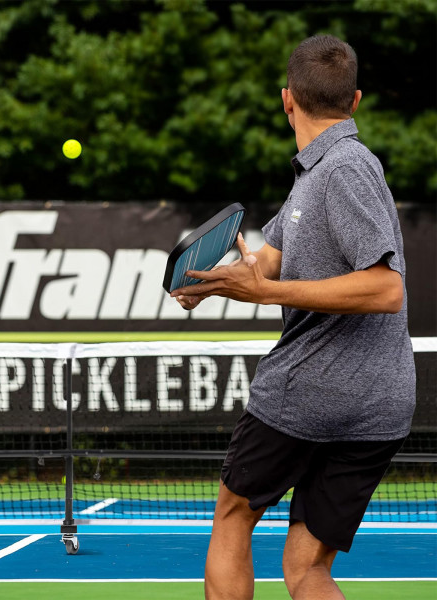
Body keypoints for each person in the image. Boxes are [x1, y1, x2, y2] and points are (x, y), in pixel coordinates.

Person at [171, 35, 415, 599]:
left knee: (233, 516)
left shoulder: (348, 167)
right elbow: (266, 261)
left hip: (311, 388)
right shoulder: (314, 174)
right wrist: (212, 282)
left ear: (286, 100)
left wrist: (260, 295)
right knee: (307, 568)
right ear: (354, 100)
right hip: (379, 405)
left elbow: (386, 289)